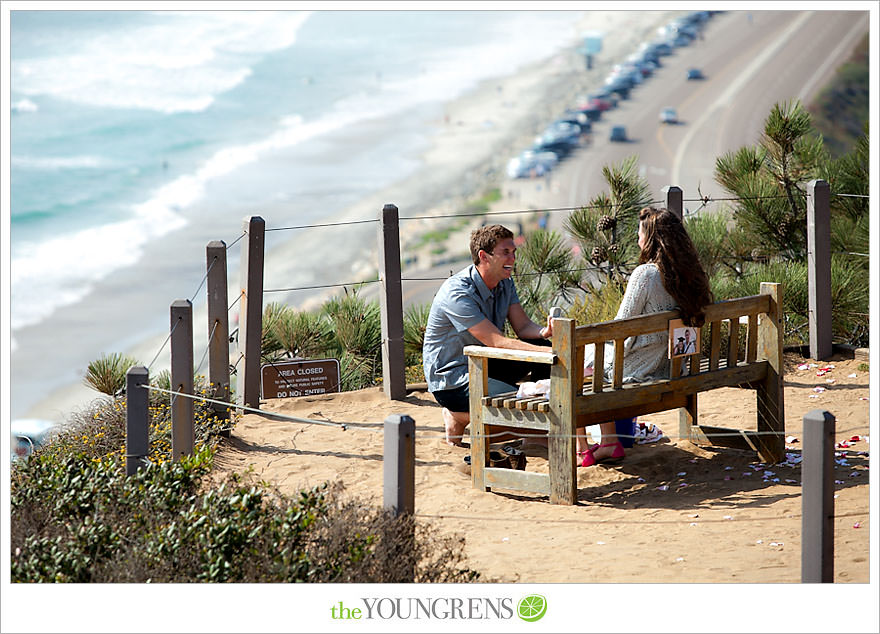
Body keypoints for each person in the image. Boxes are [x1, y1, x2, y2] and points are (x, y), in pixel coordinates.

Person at [578, 206, 713, 466]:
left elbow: (620, 328)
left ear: (651, 238)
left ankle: (603, 443)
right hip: (675, 366)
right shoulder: (690, 275)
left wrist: (601, 355)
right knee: (595, 363)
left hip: (642, 370)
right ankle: (607, 441)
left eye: (640, 233)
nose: (638, 239)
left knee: (587, 365)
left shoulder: (645, 274)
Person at [423, 224, 554, 446]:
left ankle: (538, 430)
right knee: (516, 403)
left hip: (486, 363)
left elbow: (522, 327)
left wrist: (545, 332)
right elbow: (496, 341)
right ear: (484, 256)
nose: (513, 258)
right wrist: (552, 352)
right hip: (453, 379)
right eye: (506, 252)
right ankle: (456, 414)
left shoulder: (506, 282)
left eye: (514, 252)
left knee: (537, 344)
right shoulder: (457, 293)